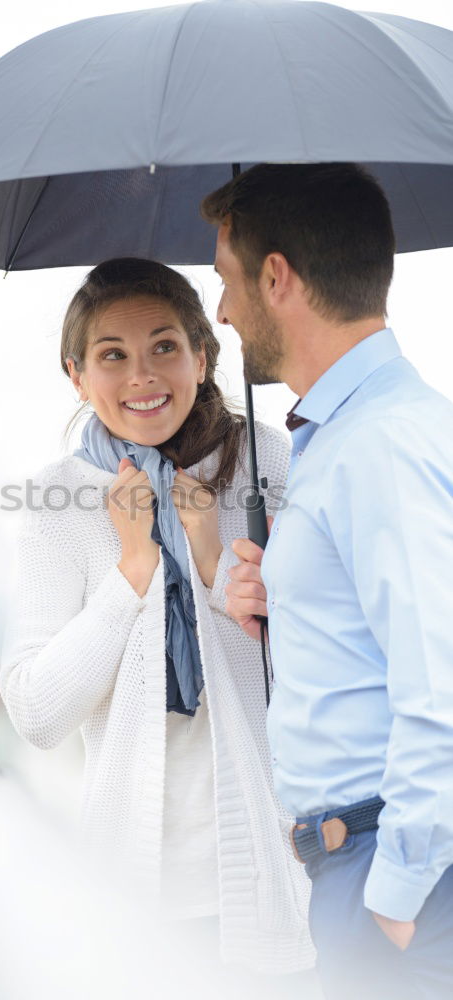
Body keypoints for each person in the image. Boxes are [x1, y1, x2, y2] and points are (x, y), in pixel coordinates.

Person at [0, 258, 316, 985]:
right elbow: (37, 713)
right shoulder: (57, 501)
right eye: (112, 355)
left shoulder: (266, 461)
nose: (142, 376)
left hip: (275, 871)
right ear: (77, 376)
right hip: (132, 893)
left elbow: (315, 660)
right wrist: (132, 569)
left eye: (164, 347)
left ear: (203, 358)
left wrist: (210, 563)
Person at [202, 162, 453, 1000]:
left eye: (226, 282)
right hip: (370, 868)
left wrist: (394, 896)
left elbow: (440, 676)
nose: (222, 312)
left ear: (276, 277)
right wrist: (293, 605)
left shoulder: (377, 444)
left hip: (395, 879)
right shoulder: (350, 436)